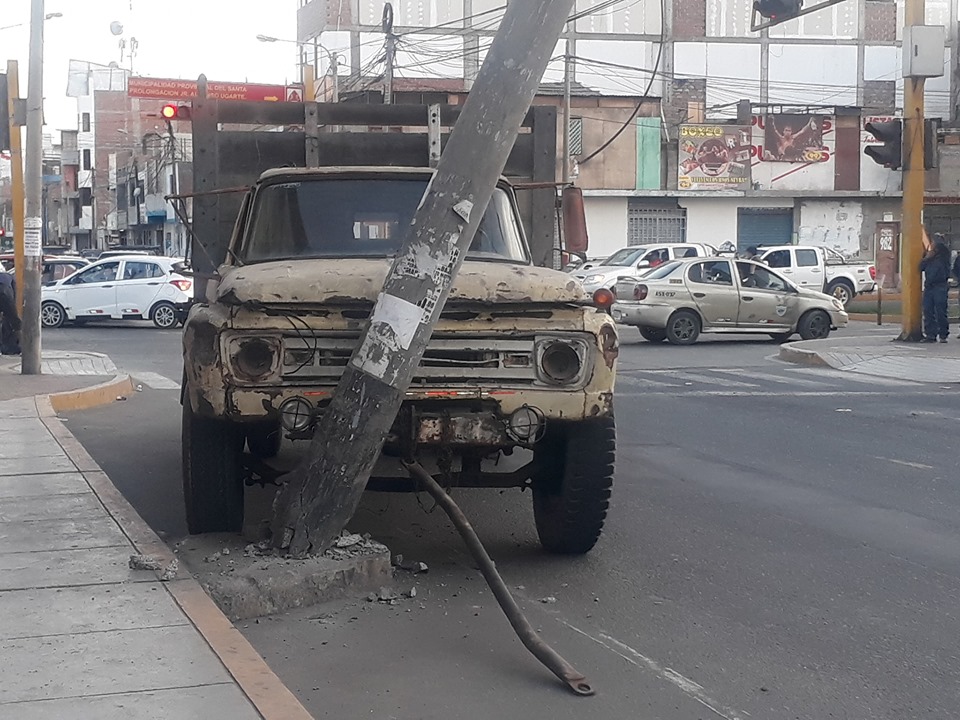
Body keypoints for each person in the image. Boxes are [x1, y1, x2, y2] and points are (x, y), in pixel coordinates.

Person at [920, 233, 951, 343]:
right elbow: (920, 267)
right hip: (929, 286)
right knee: (928, 310)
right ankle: (930, 334)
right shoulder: (929, 259)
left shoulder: (943, 257)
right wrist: (927, 257)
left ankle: (943, 333)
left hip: (940, 286)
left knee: (940, 311)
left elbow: (942, 247)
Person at [0, 271, 22, 355]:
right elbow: (13, 296)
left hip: (5, 291)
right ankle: (22, 347)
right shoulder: (9, 277)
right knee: (15, 321)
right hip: (6, 293)